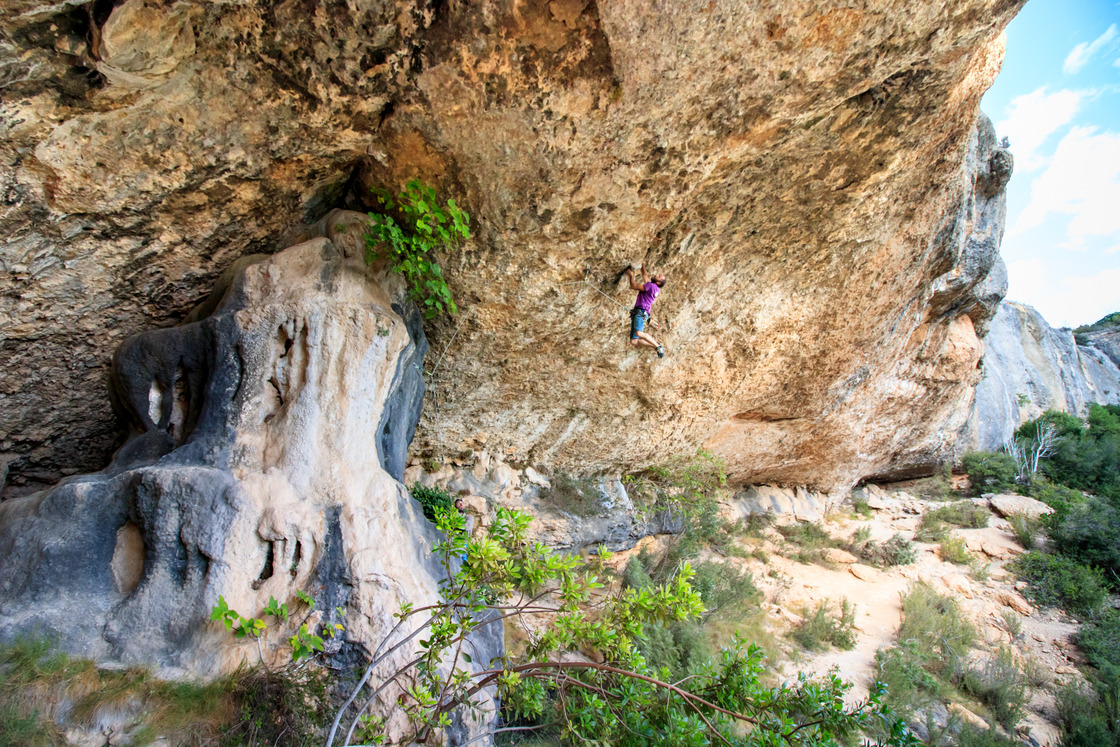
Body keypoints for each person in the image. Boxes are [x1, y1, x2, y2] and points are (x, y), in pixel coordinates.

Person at [625, 264, 666, 358]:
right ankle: (656, 345)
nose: (657, 275)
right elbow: (645, 275)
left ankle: (657, 346)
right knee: (634, 341)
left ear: (658, 283)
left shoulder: (651, 287)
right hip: (641, 313)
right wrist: (643, 264)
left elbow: (634, 286)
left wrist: (631, 276)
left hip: (640, 313)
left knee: (639, 333)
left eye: (659, 277)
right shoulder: (654, 288)